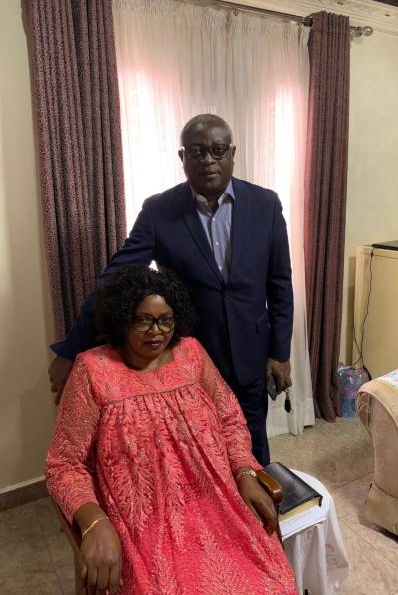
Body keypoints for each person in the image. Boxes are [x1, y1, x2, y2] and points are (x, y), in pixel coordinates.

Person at [48, 113, 294, 466]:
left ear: (232, 153)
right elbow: (114, 279)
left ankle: (258, 499)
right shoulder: (159, 211)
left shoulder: (265, 204)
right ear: (182, 157)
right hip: (190, 358)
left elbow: (280, 283)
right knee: (199, 450)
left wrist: (280, 353)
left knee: (252, 444)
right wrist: (72, 350)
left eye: (217, 150)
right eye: (196, 151)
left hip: (251, 352)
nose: (208, 159)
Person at [45, 267, 297, 595]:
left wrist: (244, 472)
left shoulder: (191, 354)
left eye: (166, 319)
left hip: (215, 504)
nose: (157, 331)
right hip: (143, 525)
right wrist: (94, 521)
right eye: (143, 320)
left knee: (274, 583)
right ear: (121, 319)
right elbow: (63, 464)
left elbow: (231, 420)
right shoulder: (93, 370)